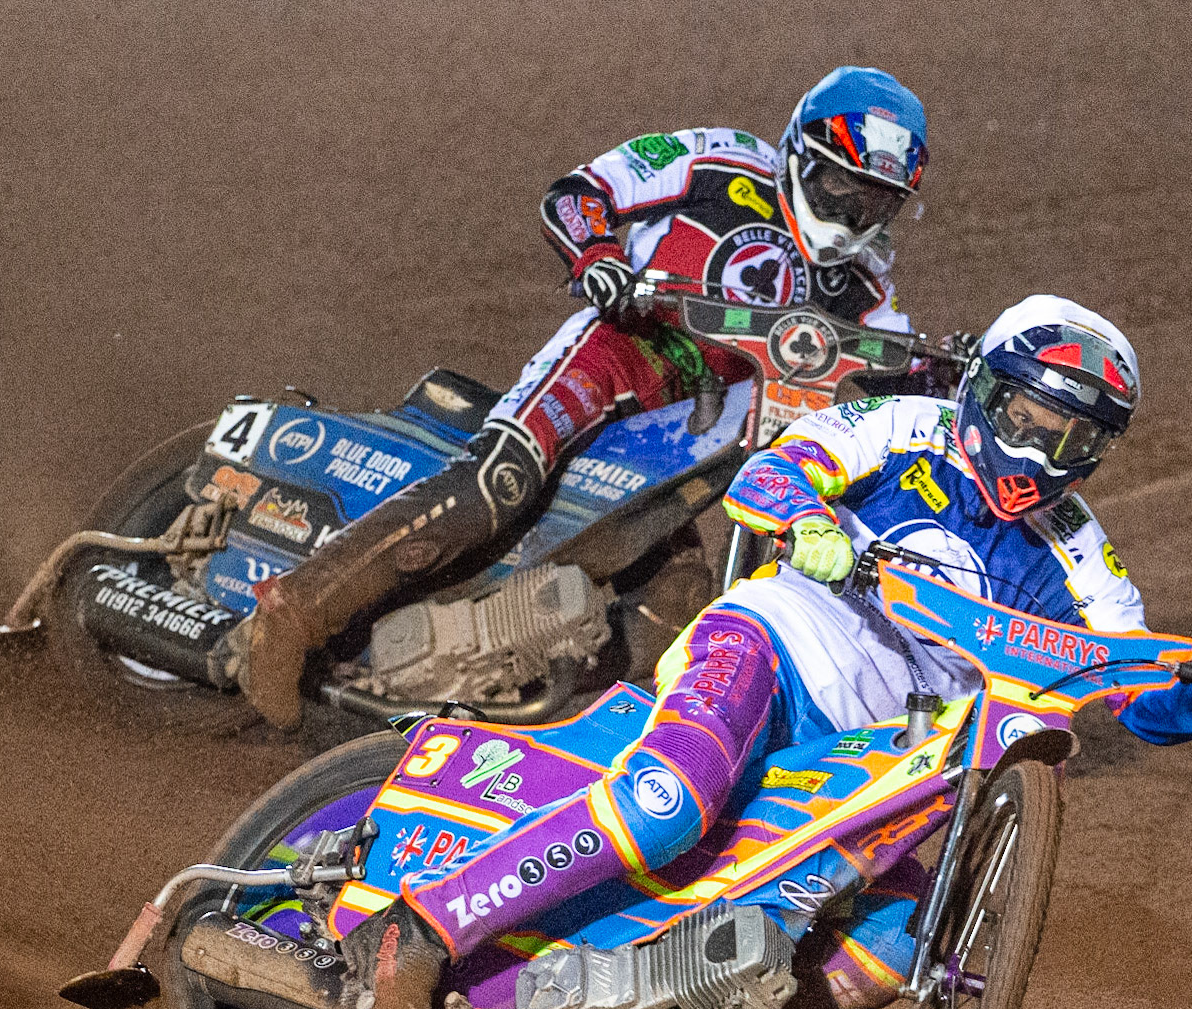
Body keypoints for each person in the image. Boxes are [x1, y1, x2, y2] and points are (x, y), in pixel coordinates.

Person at [346, 294, 1192, 1009]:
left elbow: (1132, 687)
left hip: (878, 758)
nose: (1037, 453)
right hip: (773, 647)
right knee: (669, 798)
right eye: (1024, 418)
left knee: (906, 945)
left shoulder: (1080, 554)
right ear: (984, 392)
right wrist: (813, 523)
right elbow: (775, 473)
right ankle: (421, 929)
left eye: (1070, 440)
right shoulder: (904, 425)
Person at [235, 66, 932, 729]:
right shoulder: (722, 161)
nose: (849, 209)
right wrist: (597, 256)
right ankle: (289, 615)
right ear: (797, 153)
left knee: (675, 600)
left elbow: (894, 365)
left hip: (695, 421)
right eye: (838, 182)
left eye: (873, 199)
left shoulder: (865, 283)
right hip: (619, 351)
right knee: (498, 482)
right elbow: (578, 192)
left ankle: (536, 727)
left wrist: (944, 381)